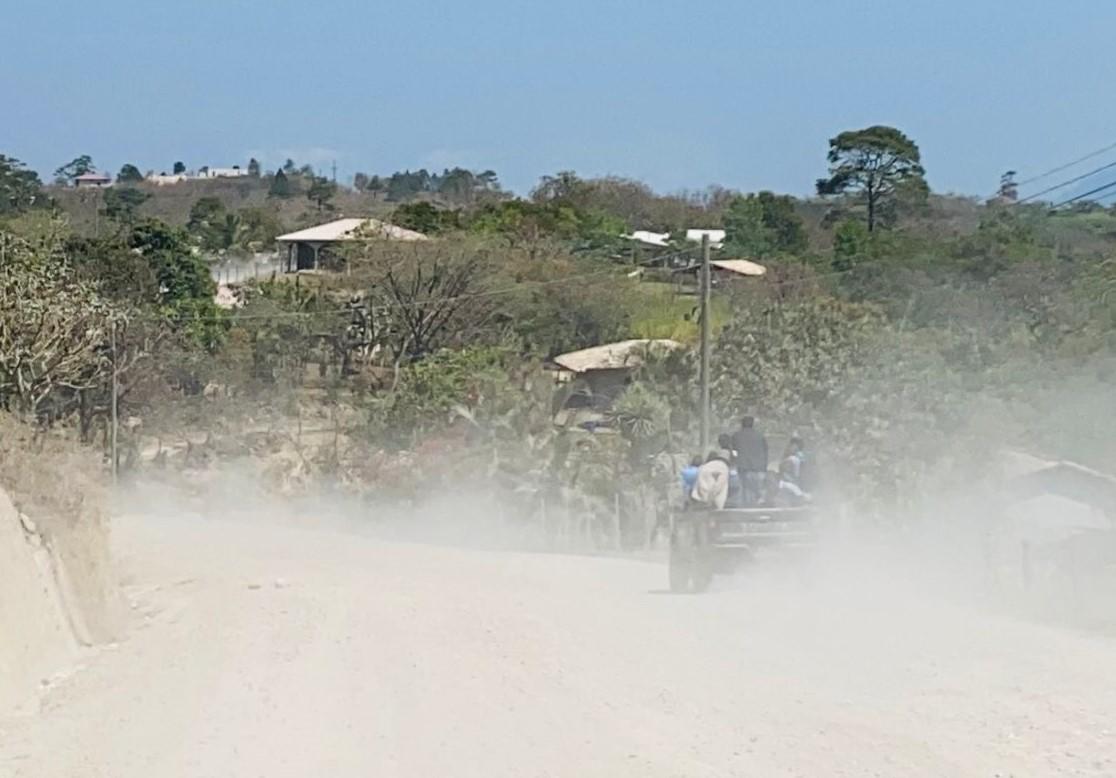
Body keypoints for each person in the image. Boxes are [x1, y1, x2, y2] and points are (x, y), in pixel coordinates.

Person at [730, 416, 768, 506]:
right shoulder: (760, 436)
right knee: (758, 491)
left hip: (743, 467)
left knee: (744, 490)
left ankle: (746, 508)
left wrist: (735, 460)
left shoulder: (736, 436)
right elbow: (765, 451)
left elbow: (734, 451)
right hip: (759, 468)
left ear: (742, 424)